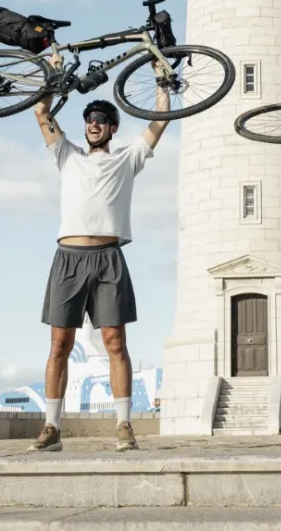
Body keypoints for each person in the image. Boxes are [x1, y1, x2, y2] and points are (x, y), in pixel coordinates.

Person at [29, 55, 169, 453]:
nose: (93, 124)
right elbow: (41, 112)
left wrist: (161, 79)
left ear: (112, 128)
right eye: (89, 119)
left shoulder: (127, 159)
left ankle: (124, 425)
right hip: (68, 258)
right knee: (59, 345)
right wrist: (53, 74)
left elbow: (160, 123)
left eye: (101, 120)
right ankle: (52, 428)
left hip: (108, 259)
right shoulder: (66, 154)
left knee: (115, 342)